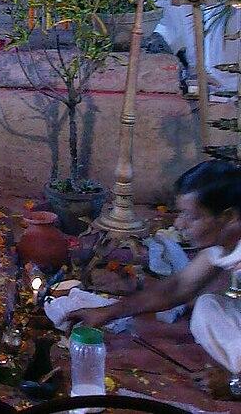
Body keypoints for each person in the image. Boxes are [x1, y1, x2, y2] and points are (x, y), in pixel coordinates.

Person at [72, 161, 241, 398]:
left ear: (228, 217)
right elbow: (177, 288)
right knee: (207, 308)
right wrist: (106, 313)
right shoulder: (224, 243)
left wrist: (234, 385)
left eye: (190, 216)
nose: (178, 224)